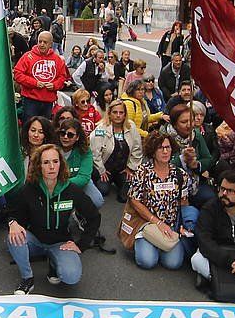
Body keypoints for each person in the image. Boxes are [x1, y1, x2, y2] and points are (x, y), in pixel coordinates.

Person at [6, 143, 100, 294]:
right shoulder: (29, 189)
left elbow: (94, 217)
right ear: (39, 166)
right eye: (46, 162)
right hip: (35, 240)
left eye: (55, 162)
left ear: (61, 164)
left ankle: (54, 263)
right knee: (13, 237)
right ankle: (27, 279)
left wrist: (81, 244)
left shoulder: (71, 190)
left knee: (71, 276)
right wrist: (13, 223)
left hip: (60, 243)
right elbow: (13, 212)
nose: (51, 167)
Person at [126, 132, 197, 270]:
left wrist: (183, 224)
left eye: (168, 147)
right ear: (153, 151)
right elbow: (134, 201)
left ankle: (158, 245)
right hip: (147, 223)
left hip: (170, 225)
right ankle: (144, 242)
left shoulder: (179, 174)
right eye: (160, 148)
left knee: (173, 264)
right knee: (148, 262)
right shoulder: (143, 172)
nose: (165, 151)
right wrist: (156, 222)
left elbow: (184, 201)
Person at [91, 99, 142, 203]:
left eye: (121, 112)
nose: (118, 115)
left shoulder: (131, 126)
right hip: (106, 168)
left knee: (125, 197)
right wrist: (101, 170)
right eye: (115, 112)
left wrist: (130, 168)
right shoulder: (100, 129)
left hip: (122, 169)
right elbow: (94, 152)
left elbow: (137, 149)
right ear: (109, 114)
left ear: (125, 115)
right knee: (103, 190)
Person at [166, 104, 216, 206]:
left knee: (212, 199)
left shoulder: (196, 135)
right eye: (184, 122)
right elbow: (162, 166)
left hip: (195, 182)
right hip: (171, 185)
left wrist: (196, 164)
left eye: (191, 121)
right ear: (174, 124)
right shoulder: (165, 138)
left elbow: (208, 159)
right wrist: (182, 159)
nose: (189, 125)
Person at [13, 31, 70, 120]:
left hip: (48, 101)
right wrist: (34, 83)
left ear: (51, 44)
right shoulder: (27, 56)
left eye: (45, 42)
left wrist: (54, 85)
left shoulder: (57, 60)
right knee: (29, 126)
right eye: (40, 41)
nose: (42, 44)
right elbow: (17, 74)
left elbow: (62, 77)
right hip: (30, 100)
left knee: (44, 128)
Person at [57, 120, 103, 209]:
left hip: (73, 182)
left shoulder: (85, 150)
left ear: (77, 137)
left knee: (97, 201)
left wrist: (61, 184)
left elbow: (84, 178)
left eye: (70, 135)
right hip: (55, 183)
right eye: (62, 133)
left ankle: (79, 214)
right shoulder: (52, 148)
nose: (65, 137)